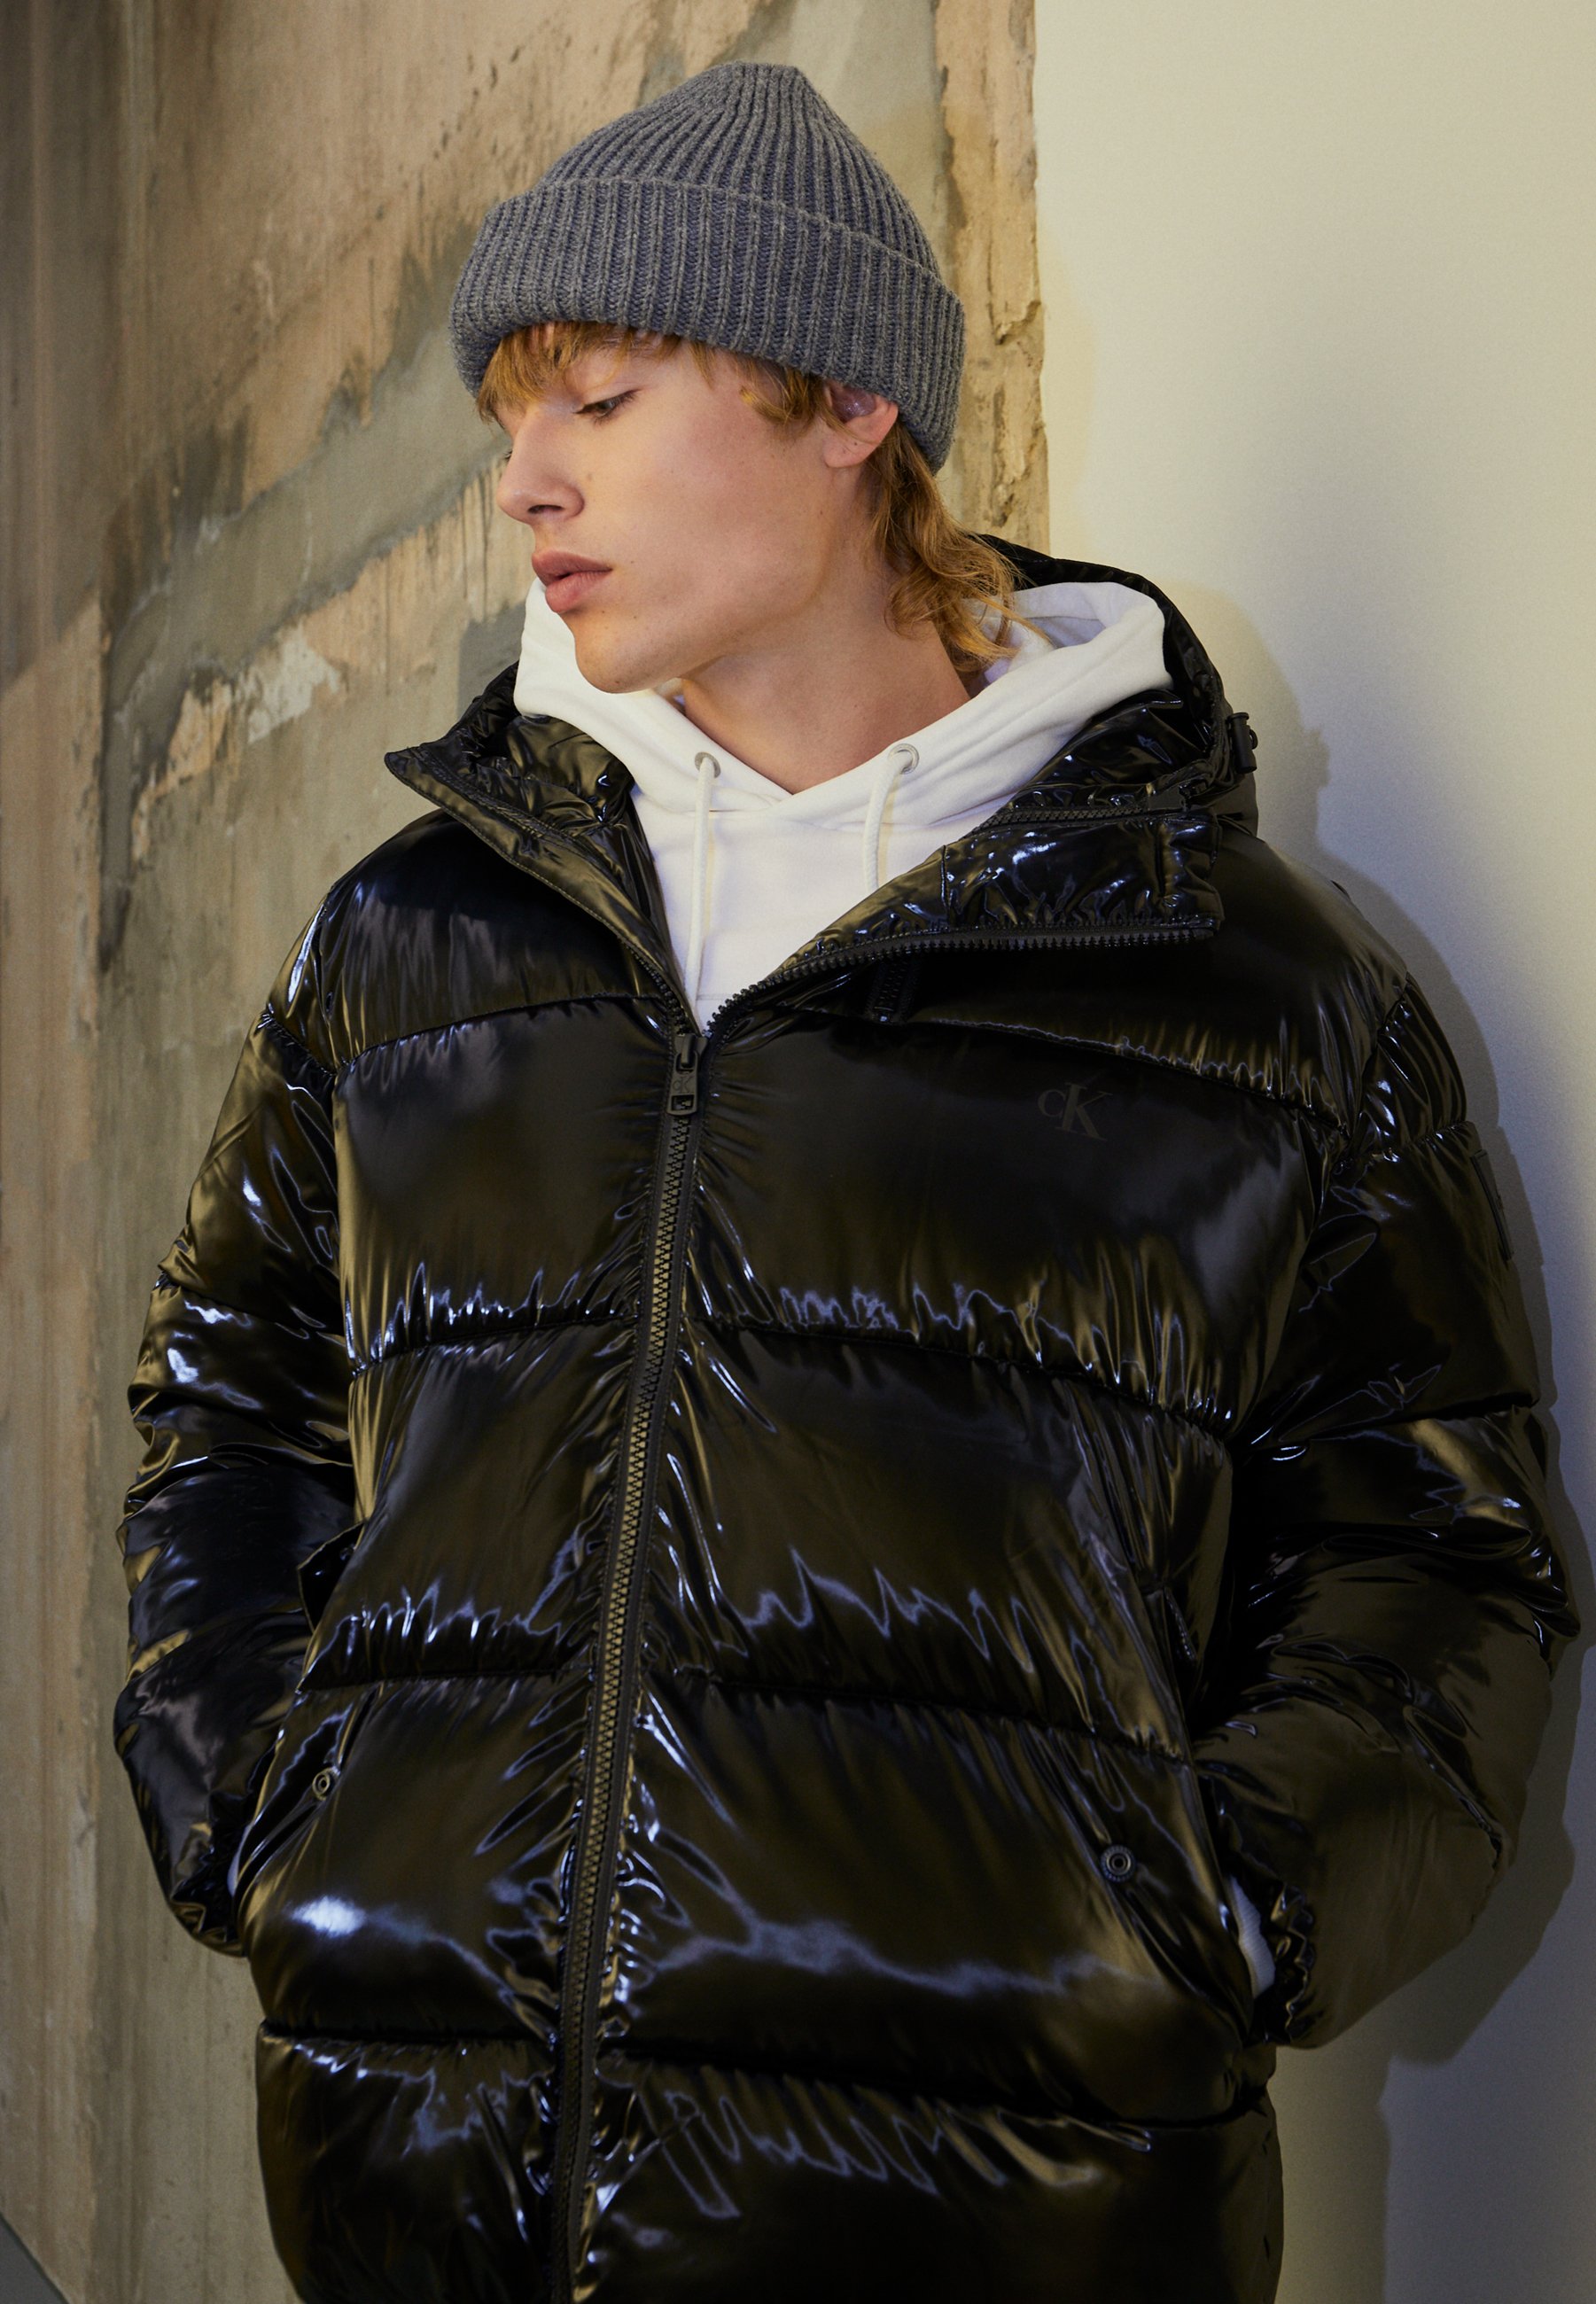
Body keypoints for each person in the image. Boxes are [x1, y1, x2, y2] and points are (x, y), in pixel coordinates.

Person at [113, 59, 1576, 2304]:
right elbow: (225, 1408)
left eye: (598, 396)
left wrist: (1196, 1917)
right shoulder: (412, 942)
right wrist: (268, 1816)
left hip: (1012, 2222)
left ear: (848, 406)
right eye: (513, 415)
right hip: (424, 2196)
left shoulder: (1248, 986)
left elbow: (1438, 1557)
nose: (524, 478)